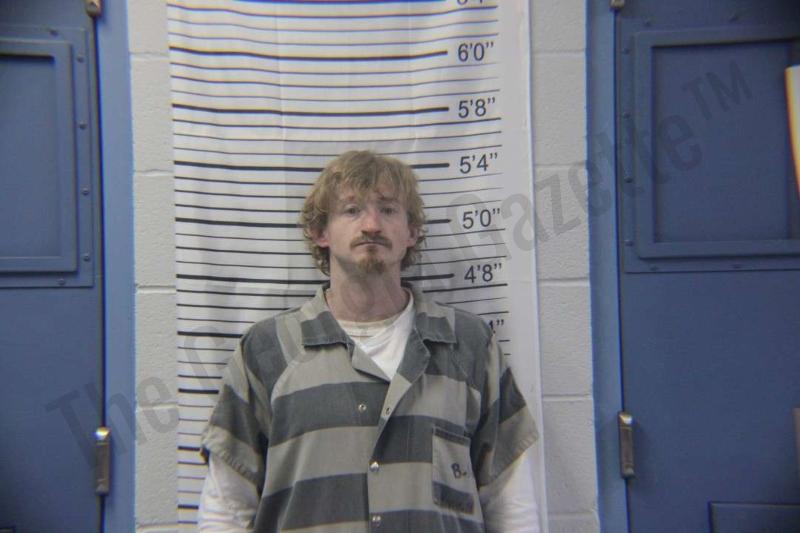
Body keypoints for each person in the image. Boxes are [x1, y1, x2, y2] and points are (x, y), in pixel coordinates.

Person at [198, 151, 540, 532]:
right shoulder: (266, 352)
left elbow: (511, 506)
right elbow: (226, 510)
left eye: (388, 209)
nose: (372, 224)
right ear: (321, 232)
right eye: (352, 210)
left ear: (411, 232)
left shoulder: (471, 347)